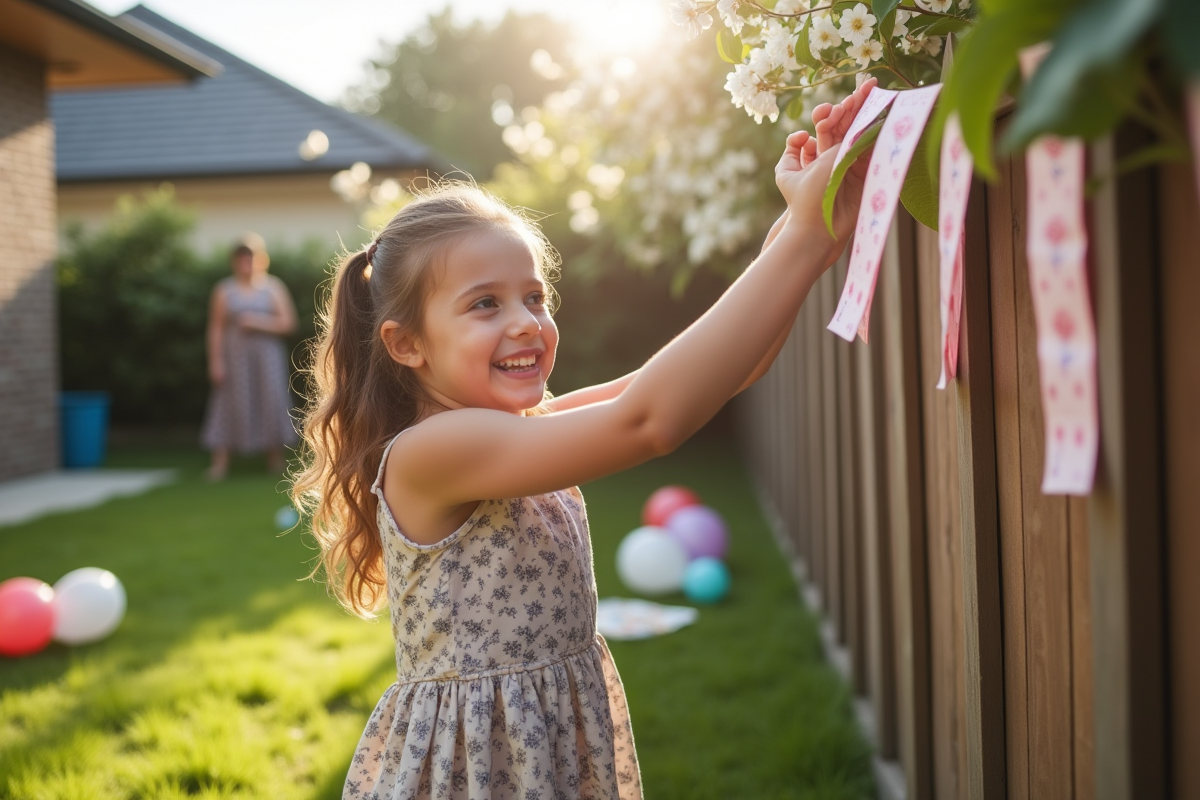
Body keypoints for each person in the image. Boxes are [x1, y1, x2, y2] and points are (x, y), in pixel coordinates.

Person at [291, 79, 876, 800]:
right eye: (485, 304)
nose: (526, 321)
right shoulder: (431, 453)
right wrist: (805, 240)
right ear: (406, 344)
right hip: (481, 766)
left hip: (544, 736)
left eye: (534, 297)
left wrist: (805, 234)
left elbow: (718, 376)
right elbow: (650, 420)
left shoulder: (522, 428)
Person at [201, 233, 299, 480]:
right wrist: (215, 361)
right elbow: (215, 329)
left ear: (261, 259)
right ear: (235, 262)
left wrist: (257, 322)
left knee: (271, 400)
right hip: (235, 359)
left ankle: (275, 460)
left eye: (251, 258)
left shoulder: (274, 287)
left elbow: (289, 323)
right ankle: (220, 463)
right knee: (228, 403)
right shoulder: (224, 290)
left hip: (267, 358)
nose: (247, 263)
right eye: (242, 259)